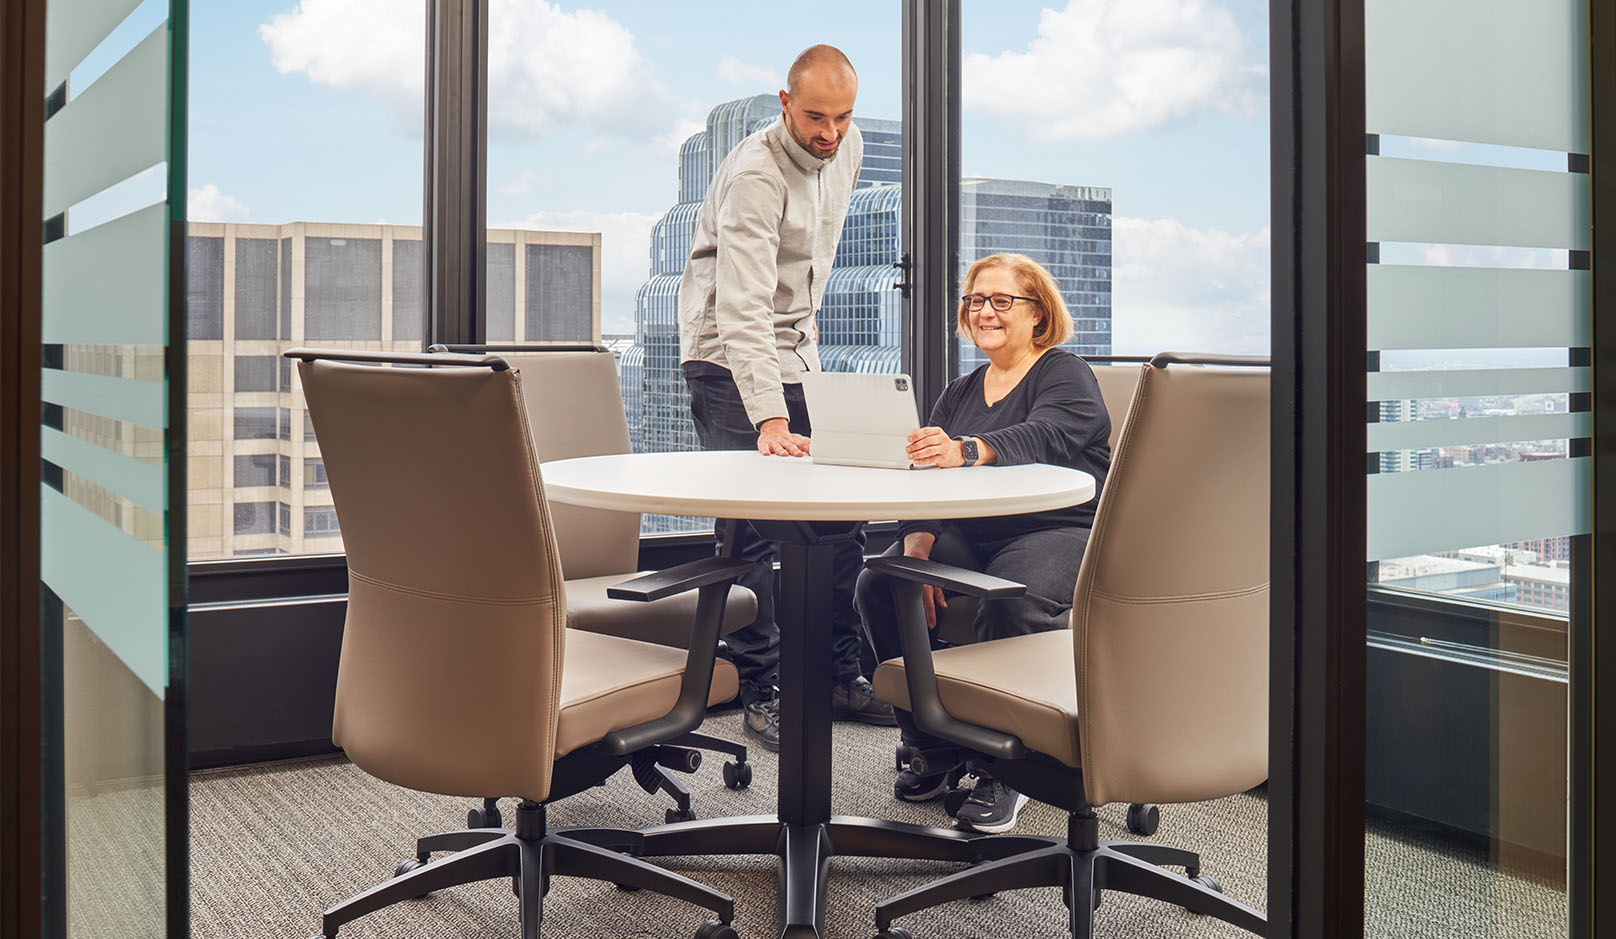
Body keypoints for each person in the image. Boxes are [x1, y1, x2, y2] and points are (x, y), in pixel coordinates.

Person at [679, 44, 895, 752]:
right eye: (814, 117)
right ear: (784, 103)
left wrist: (801, 376)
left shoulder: (848, 146)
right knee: (751, 526)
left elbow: (809, 273)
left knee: (841, 514)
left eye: (841, 117)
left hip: (798, 352)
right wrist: (768, 415)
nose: (829, 133)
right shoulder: (753, 176)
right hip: (724, 355)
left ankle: (837, 671)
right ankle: (761, 681)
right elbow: (742, 306)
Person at [854, 253, 1112, 834]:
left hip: (1059, 529)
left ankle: (1010, 767)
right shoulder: (960, 390)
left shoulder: (1063, 373)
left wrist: (968, 449)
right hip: (972, 532)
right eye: (975, 301)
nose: (985, 312)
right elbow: (929, 481)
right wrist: (917, 547)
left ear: (1038, 315)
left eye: (1002, 301)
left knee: (1010, 596)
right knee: (883, 580)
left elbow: (1048, 434)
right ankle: (931, 745)